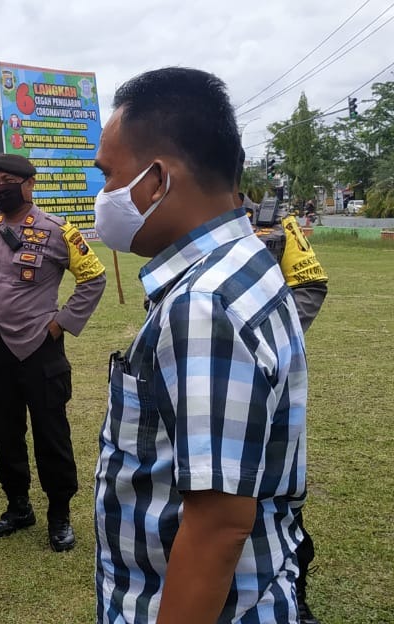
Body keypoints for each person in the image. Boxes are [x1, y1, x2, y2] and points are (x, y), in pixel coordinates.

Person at [93, 67, 308, 623]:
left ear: (157, 178)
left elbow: (217, 525)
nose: (104, 196)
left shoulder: (203, 303)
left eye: (110, 176)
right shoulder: (246, 261)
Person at [0, 153, 106, 552]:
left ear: (29, 185)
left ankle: (59, 513)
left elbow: (92, 278)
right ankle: (18, 506)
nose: (0, 188)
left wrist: (61, 323)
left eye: (8, 181)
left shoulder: (59, 230)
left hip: (39, 348)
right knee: (4, 435)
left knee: (51, 435)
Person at [236, 152, 327, 624]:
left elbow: (310, 285)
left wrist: (265, 341)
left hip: (264, 375)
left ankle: (294, 590)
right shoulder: (183, 229)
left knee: (276, 488)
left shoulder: (275, 223)